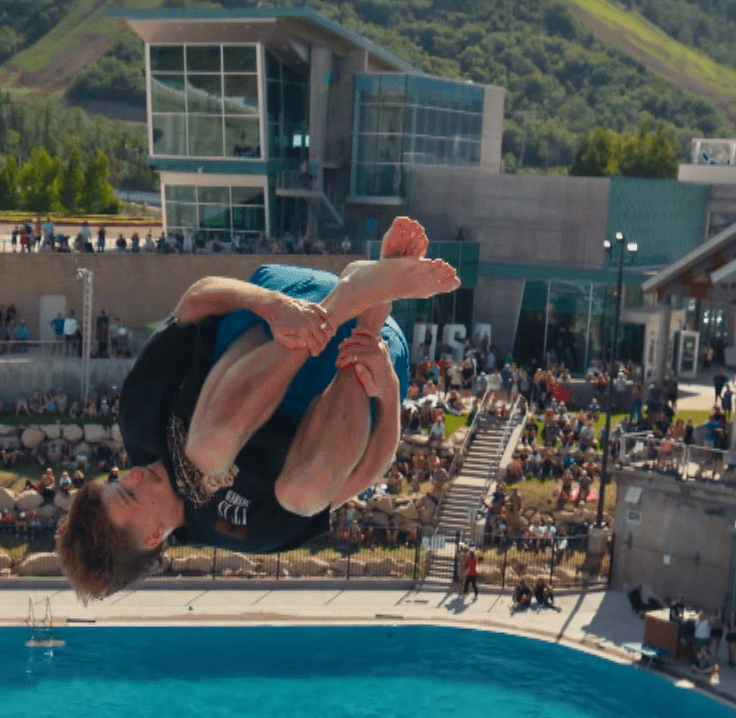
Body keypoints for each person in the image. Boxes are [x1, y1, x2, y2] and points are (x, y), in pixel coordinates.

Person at [55, 217, 459, 598]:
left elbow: (197, 301)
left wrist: (271, 306)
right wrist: (388, 391)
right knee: (302, 493)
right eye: (130, 495)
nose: (133, 475)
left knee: (207, 451)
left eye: (117, 482)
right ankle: (370, 310)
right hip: (365, 356)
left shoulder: (139, 419)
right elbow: (363, 473)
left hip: (285, 312)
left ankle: (355, 295)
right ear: (152, 537)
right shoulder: (245, 532)